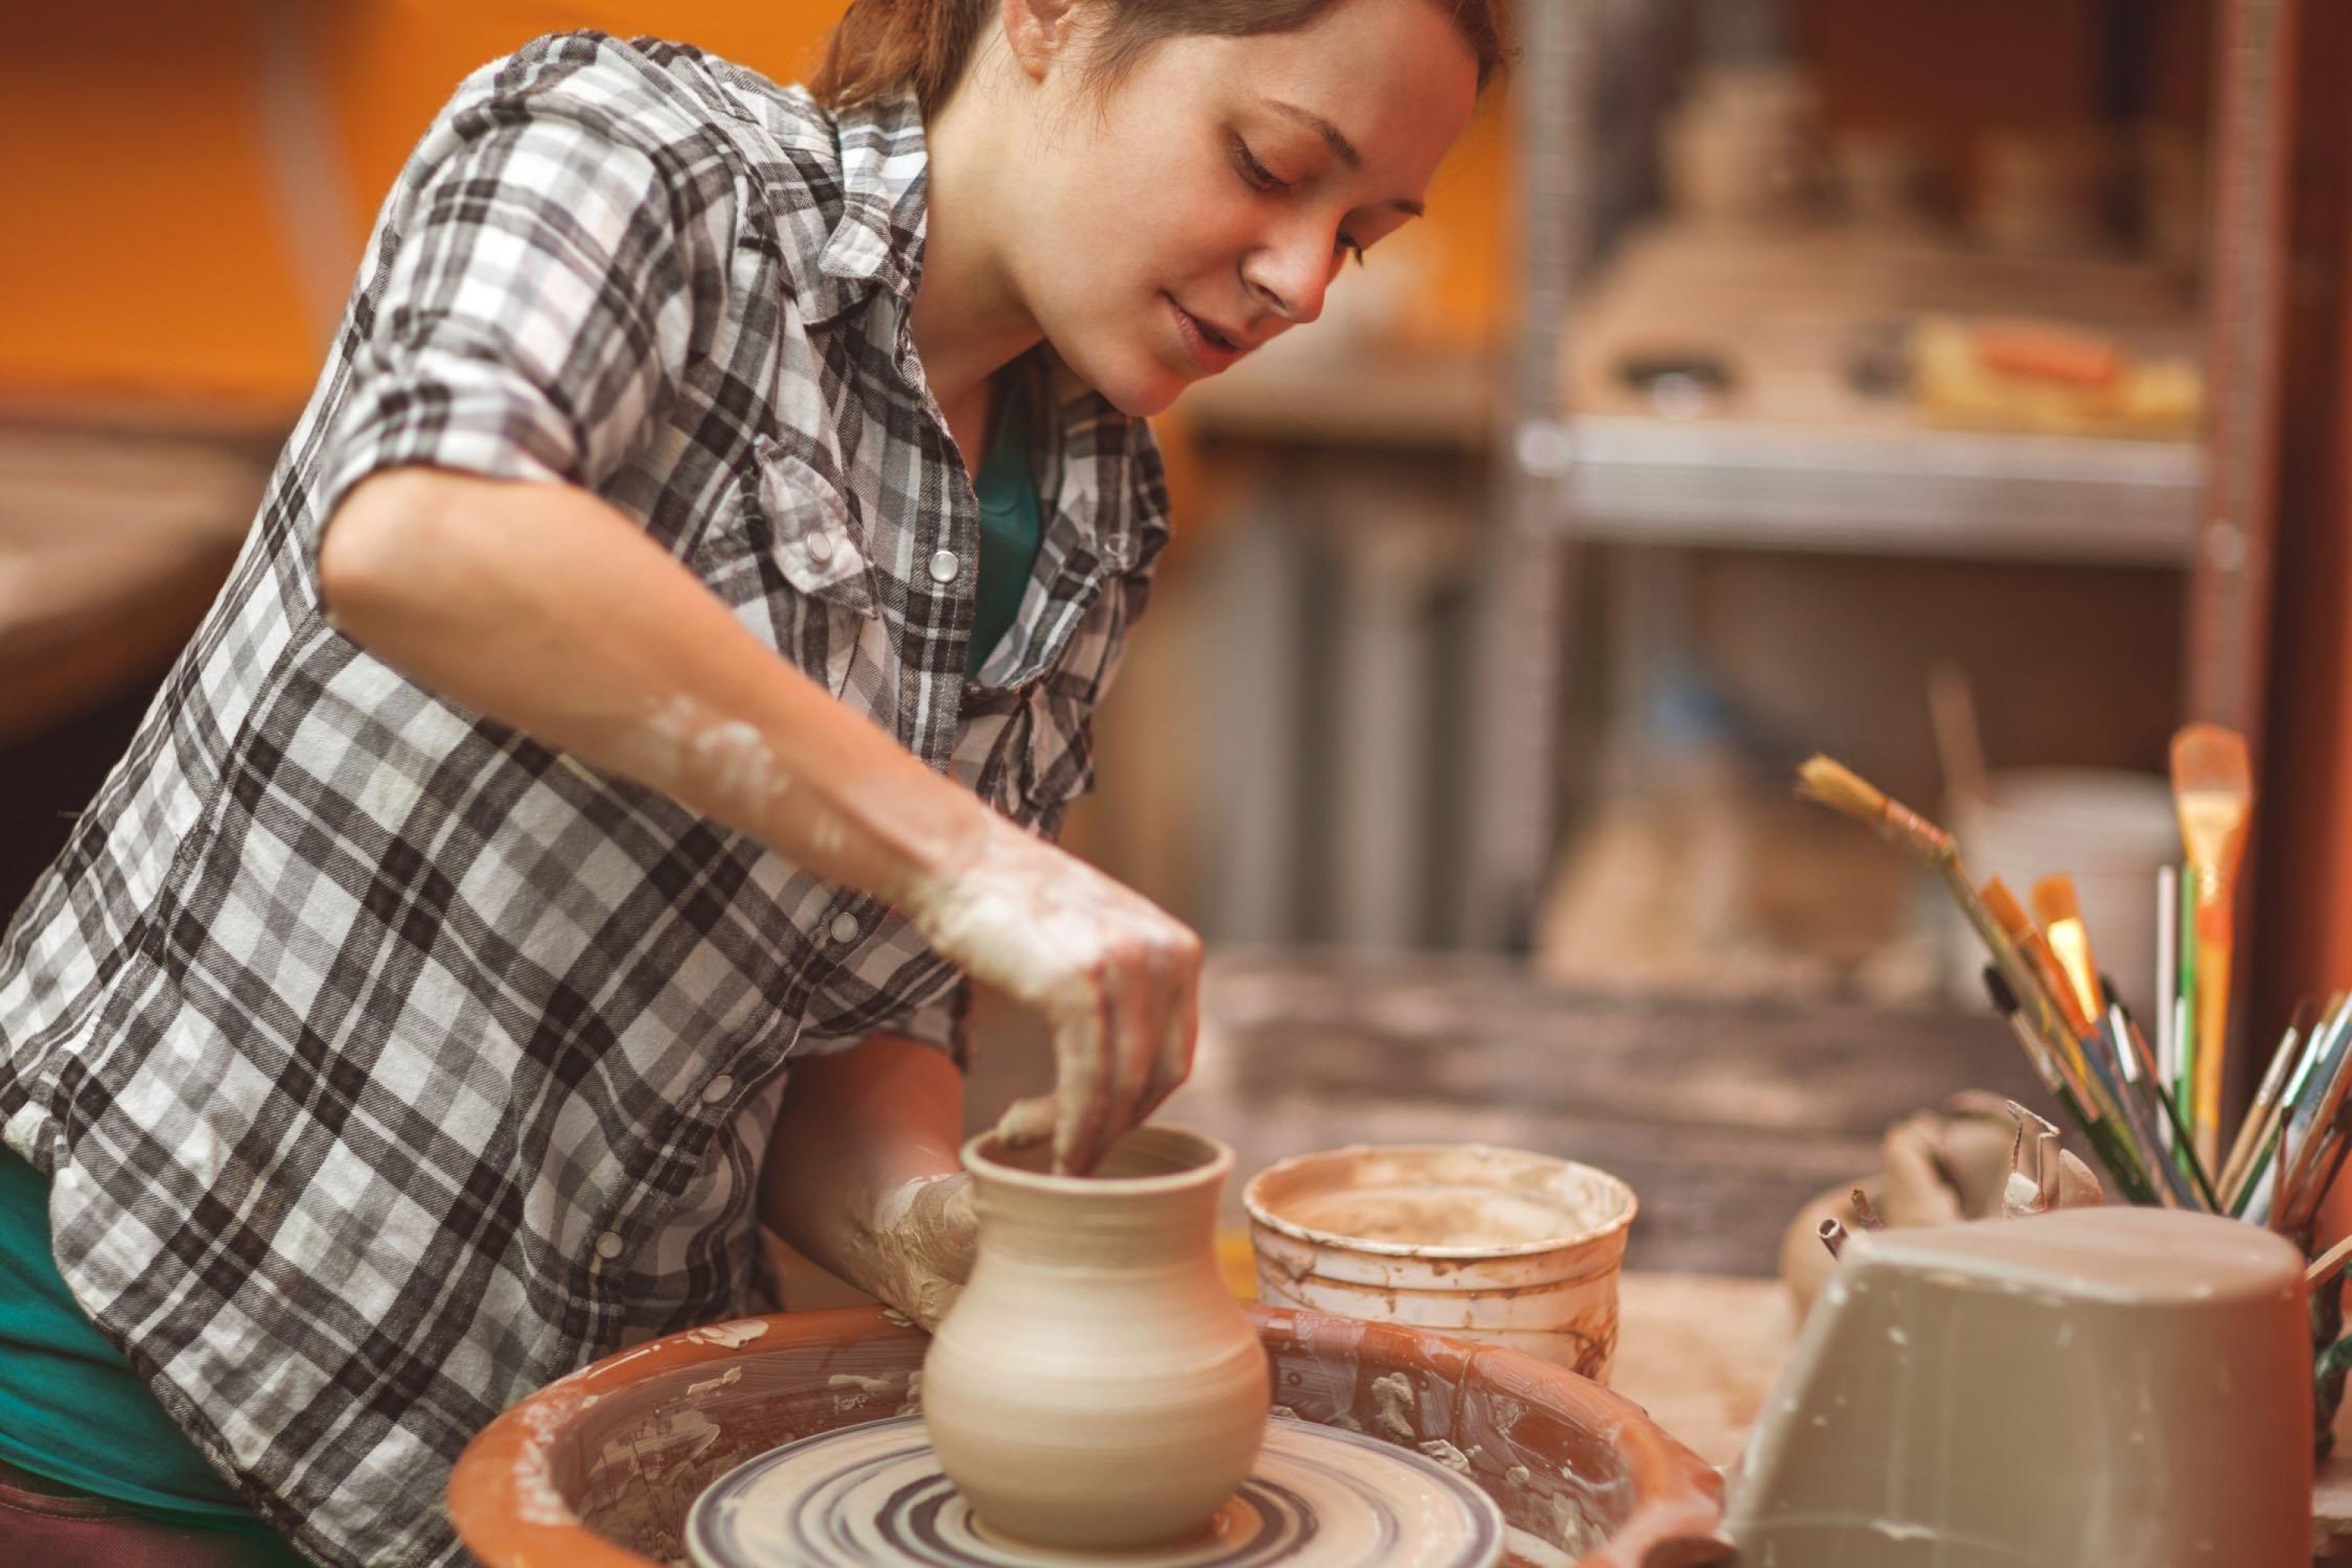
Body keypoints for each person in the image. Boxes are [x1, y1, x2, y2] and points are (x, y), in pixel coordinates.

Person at [0, 0, 1501, 1562]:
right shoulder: (634, 158)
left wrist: (941, 1232)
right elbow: (423, 528)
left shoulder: (1088, 497)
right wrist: (973, 860)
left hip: (546, 1471)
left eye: (1365, 236)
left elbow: (857, 1023)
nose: (1304, 278)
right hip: (113, 1416)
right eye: (1268, 164)